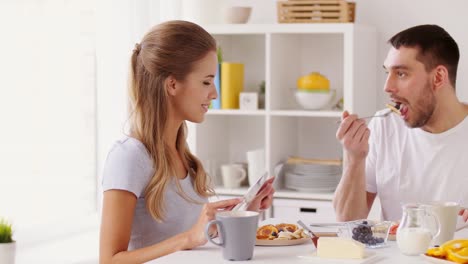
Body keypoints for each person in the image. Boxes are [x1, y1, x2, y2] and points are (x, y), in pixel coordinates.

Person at [99, 20, 275, 263]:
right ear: (172, 84)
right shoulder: (129, 156)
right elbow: (109, 260)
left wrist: (245, 211)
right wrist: (188, 238)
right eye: (206, 81)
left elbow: (197, 242)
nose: (214, 94)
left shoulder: (183, 154)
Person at [334, 24, 468, 222]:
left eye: (401, 73)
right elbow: (347, 221)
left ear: (438, 77)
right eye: (387, 73)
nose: (387, 87)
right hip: (393, 253)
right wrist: (354, 160)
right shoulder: (384, 127)